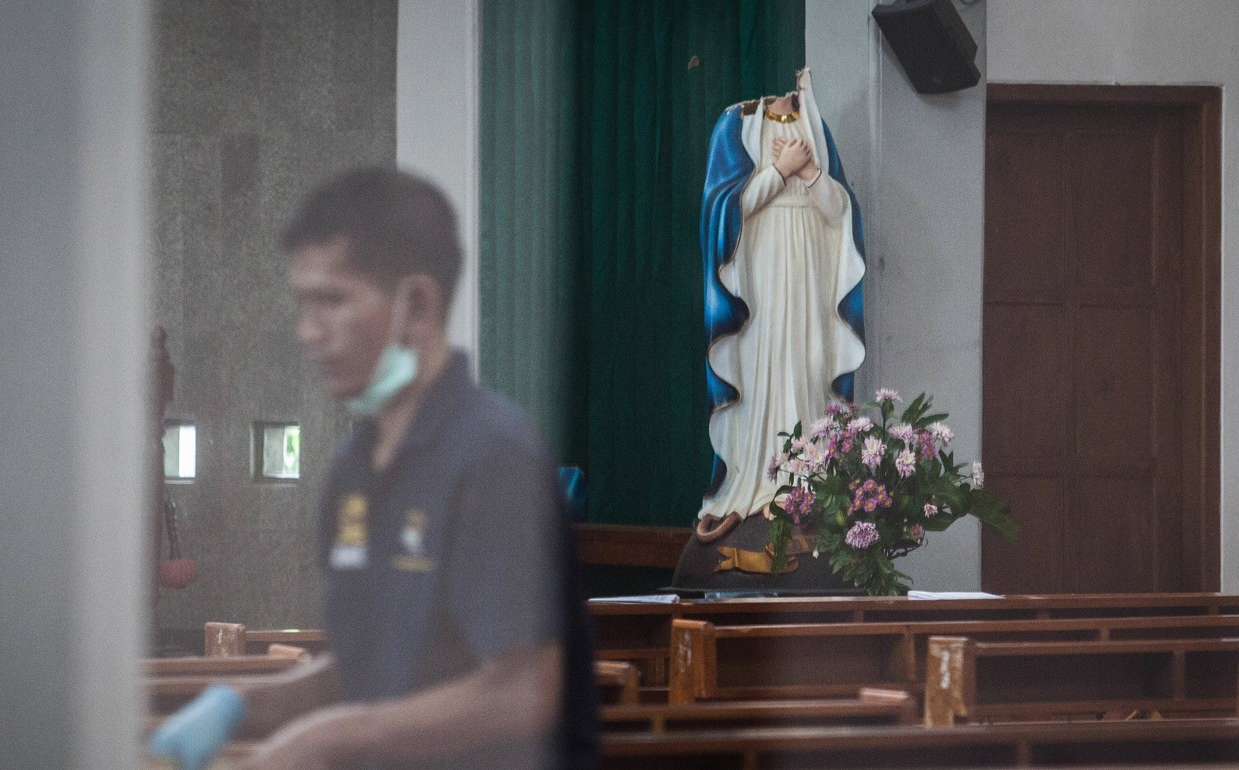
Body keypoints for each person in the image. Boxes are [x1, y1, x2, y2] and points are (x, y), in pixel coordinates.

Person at [151, 167, 598, 770]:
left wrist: (334, 740)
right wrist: (238, 705)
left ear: (415, 303)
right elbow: (372, 666)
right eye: (301, 304)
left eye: (331, 301)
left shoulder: (492, 454)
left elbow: (525, 692)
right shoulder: (352, 469)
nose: (309, 333)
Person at [698, 68, 866, 534]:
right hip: (762, 277)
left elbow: (841, 212)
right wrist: (778, 171)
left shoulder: (817, 129)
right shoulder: (734, 124)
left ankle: (810, 485)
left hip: (811, 274)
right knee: (764, 368)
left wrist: (810, 172)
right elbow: (726, 208)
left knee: (811, 364)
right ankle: (763, 482)